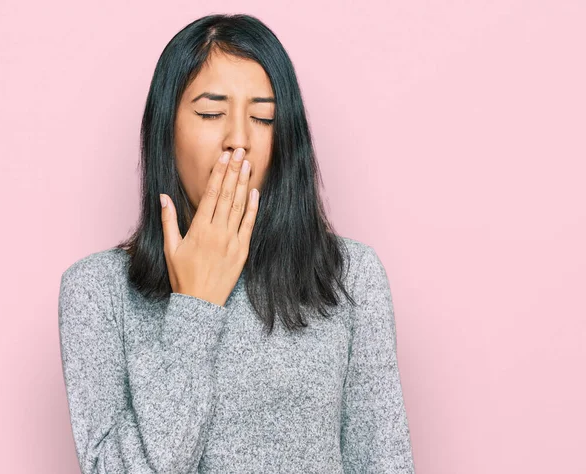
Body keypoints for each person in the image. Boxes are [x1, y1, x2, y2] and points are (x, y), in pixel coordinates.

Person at [58, 13, 416, 473]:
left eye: (263, 118)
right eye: (211, 113)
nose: (239, 141)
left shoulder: (350, 276)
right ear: (166, 128)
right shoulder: (96, 291)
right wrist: (197, 305)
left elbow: (384, 463)